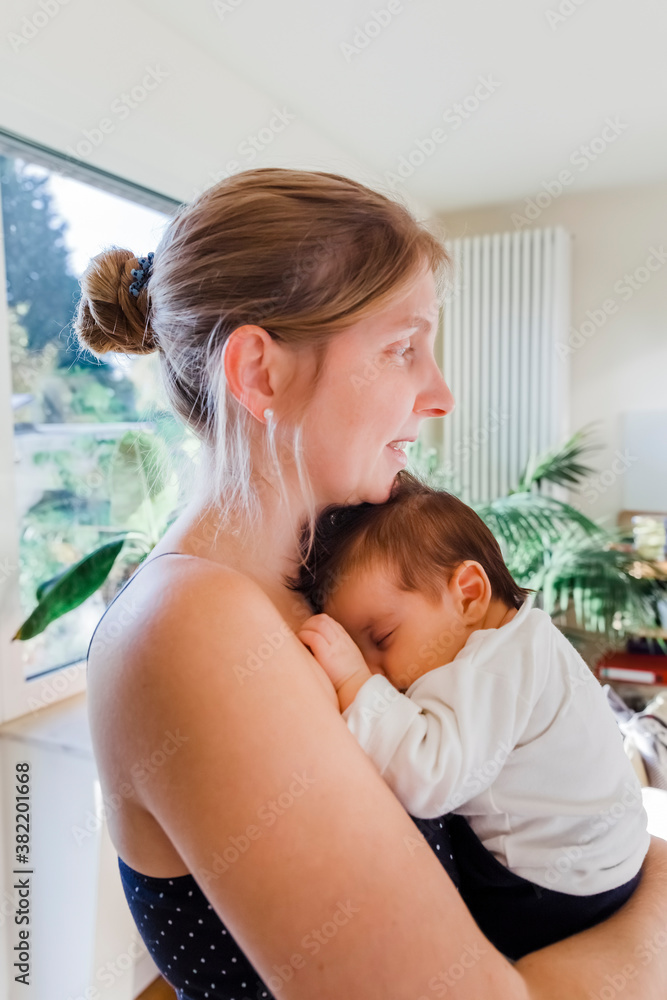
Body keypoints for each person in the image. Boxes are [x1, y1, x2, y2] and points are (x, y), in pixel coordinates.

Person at [77, 167, 667, 1000]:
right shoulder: (193, 628)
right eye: (402, 348)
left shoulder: (317, 590)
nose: (440, 394)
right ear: (260, 373)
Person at [286, 472, 650, 960]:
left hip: (551, 894)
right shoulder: (524, 640)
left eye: (383, 638)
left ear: (469, 594)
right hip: (607, 866)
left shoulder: (492, 667)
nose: (378, 672)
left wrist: (354, 683)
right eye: (360, 652)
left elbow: (429, 778)